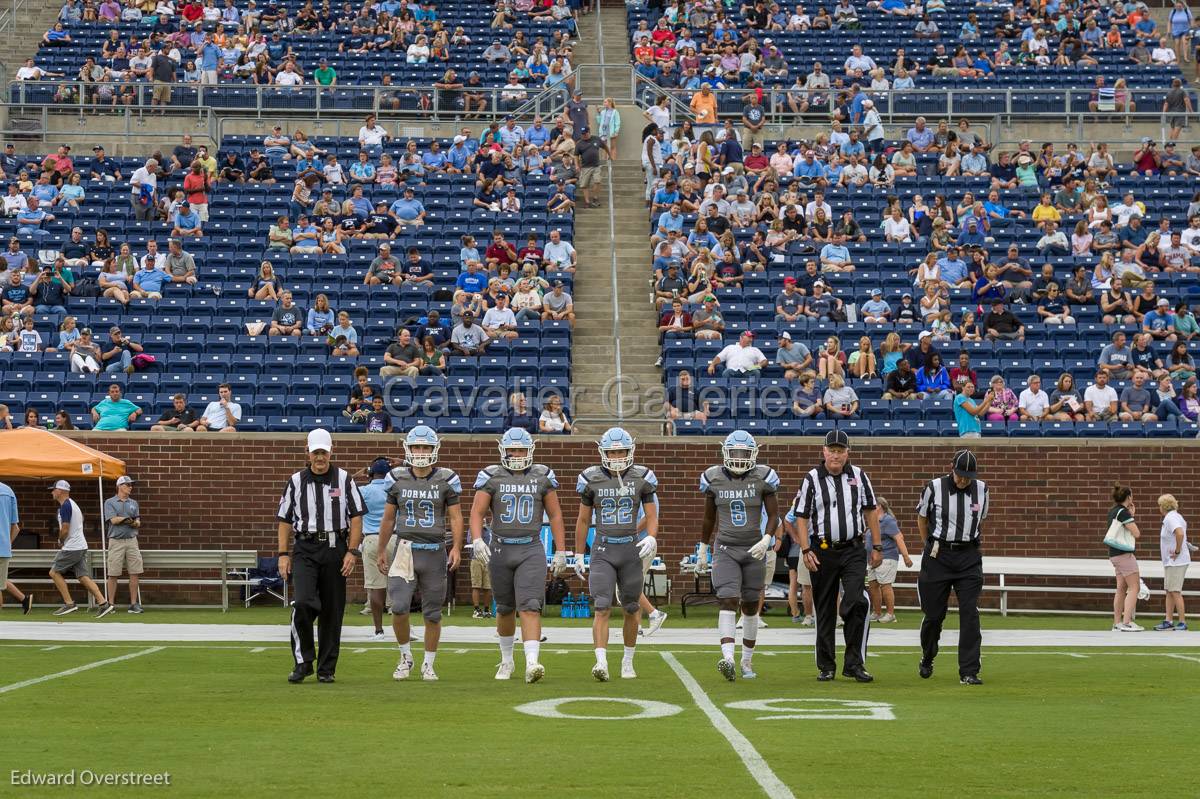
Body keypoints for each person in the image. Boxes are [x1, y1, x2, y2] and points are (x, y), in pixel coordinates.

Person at [469, 428, 567, 683]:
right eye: (512, 450)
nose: (516, 454)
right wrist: (478, 539)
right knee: (504, 609)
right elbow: (477, 512)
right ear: (503, 450)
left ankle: (532, 663)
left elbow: (555, 514)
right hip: (500, 548)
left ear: (530, 451)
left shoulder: (542, 476)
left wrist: (561, 550)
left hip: (530, 548)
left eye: (521, 450)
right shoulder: (491, 476)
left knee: (530, 606)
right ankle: (506, 660)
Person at [790, 430, 882, 682]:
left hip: (853, 549)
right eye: (832, 450)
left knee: (856, 601)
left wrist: (877, 545)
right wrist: (806, 548)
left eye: (841, 451)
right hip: (822, 550)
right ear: (824, 451)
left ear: (847, 453)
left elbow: (871, 511)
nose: (836, 455)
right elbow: (801, 516)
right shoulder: (811, 478)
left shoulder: (859, 475)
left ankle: (854, 663)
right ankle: (826, 665)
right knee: (824, 608)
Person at [276, 429, 365, 683]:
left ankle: (326, 669)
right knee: (303, 603)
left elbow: (357, 517)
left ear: (330, 452)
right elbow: (284, 520)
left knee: (332, 611)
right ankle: (303, 661)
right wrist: (283, 554)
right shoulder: (295, 481)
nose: (319, 457)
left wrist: (352, 550)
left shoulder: (345, 479)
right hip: (305, 548)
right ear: (308, 452)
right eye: (315, 452)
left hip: (336, 547)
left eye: (323, 452)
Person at [377, 427, 463, 682]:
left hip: (434, 550)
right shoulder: (397, 478)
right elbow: (388, 517)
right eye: (417, 447)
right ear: (408, 449)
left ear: (434, 449)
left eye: (426, 447)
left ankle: (428, 663)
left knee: (432, 613)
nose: (421, 452)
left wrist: (456, 546)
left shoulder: (446, 479)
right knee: (400, 608)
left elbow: (456, 517)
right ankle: (405, 656)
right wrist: (382, 548)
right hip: (405, 550)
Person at [572, 428, 659, 681]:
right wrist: (579, 554)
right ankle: (601, 662)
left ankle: (628, 661)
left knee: (632, 608)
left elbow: (651, 515)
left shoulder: (642, 477)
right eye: (612, 451)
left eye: (621, 451)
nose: (617, 456)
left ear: (630, 451)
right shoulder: (591, 478)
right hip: (603, 549)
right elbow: (583, 519)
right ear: (603, 452)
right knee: (601, 607)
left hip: (630, 548)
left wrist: (651, 536)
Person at [696, 430, 780, 681]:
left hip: (754, 548)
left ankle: (746, 661)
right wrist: (702, 547)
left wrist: (767, 539)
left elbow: (774, 515)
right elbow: (709, 518)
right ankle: (728, 657)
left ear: (754, 454)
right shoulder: (713, 478)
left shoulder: (764, 477)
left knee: (752, 605)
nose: (741, 458)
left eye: (745, 453)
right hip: (726, 548)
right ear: (725, 453)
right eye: (735, 454)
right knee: (728, 598)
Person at [916, 450, 990, 684]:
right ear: (952, 468)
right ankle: (928, 656)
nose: (963, 480)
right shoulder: (934, 487)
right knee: (934, 616)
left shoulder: (982, 490)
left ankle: (969, 670)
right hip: (938, 555)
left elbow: (981, 519)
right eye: (960, 475)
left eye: (968, 476)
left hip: (968, 556)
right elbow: (922, 517)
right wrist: (929, 545)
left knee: (970, 613)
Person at [47, 480, 114, 617]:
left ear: (60, 490)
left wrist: (60, 540)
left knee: (54, 572)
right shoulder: (72, 504)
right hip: (80, 545)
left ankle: (69, 603)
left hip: (72, 547)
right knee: (83, 577)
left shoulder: (65, 506)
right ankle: (103, 603)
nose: (52, 492)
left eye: (53, 490)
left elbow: (65, 529)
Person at [868, 497, 913, 623]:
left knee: (885, 585)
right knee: (873, 585)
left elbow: (899, 538)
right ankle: (877, 613)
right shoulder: (873, 521)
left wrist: (906, 557)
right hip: (872, 560)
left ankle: (890, 614)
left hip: (886, 557)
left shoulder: (887, 520)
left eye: (873, 505)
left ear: (879, 506)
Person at [104, 475, 144, 613]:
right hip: (116, 541)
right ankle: (111, 604)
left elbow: (138, 521)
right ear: (120, 486)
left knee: (135, 572)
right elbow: (113, 520)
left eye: (131, 485)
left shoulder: (134, 503)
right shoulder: (110, 502)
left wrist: (135, 522)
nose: (131, 487)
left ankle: (133, 604)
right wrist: (127, 519)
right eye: (128, 485)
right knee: (113, 573)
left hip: (132, 540)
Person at [1107, 483, 1143, 632]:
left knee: (1121, 588)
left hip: (1114, 555)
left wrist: (1131, 515)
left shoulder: (1113, 511)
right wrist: (1131, 516)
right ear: (1129, 497)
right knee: (1135, 587)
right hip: (1124, 555)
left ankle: (1117, 623)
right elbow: (1136, 533)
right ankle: (1127, 622)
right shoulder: (1123, 513)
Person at [1156, 494, 1190, 631]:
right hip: (1171, 562)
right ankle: (1168, 620)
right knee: (1169, 591)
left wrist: (1177, 551)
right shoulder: (1174, 516)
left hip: (1176, 561)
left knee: (1175, 591)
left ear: (1163, 506)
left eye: (1159, 505)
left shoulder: (1171, 518)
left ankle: (1182, 622)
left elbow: (1180, 533)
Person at [0, 479, 33, 614]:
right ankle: (24, 599)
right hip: (3, 549)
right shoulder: (8, 491)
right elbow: (16, 527)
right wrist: (6, 544)